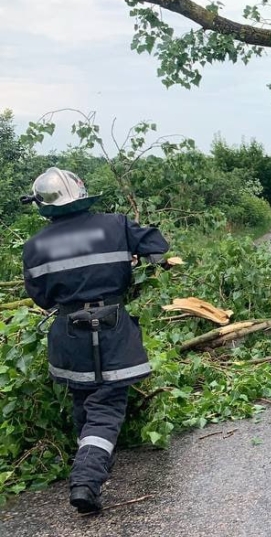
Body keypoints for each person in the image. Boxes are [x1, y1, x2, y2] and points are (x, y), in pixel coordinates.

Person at [20, 167, 172, 513]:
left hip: (69, 337)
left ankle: (93, 462)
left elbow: (42, 298)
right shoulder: (116, 225)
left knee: (83, 404)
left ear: (43, 205)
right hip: (112, 331)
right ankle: (87, 478)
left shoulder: (34, 246)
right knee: (105, 409)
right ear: (80, 192)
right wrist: (136, 260)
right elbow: (157, 246)